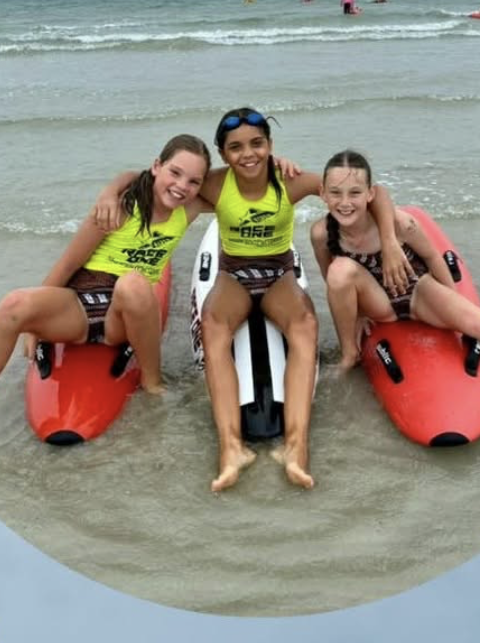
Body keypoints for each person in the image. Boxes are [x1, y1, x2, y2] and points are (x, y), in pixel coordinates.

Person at [96, 113, 402, 492]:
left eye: (257, 143)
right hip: (233, 277)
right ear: (223, 154)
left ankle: (296, 448)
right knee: (214, 326)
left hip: (278, 276)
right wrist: (111, 192)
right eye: (236, 147)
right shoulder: (213, 184)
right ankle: (230, 450)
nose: (248, 154)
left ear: (270, 146)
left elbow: (372, 190)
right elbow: (144, 177)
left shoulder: (290, 182)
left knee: (305, 325)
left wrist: (389, 241)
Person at [0, 135, 213, 445]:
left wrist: (273, 165)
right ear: (156, 166)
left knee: (132, 283)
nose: (182, 185)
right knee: (13, 304)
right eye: (175, 172)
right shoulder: (116, 210)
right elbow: (66, 266)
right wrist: (32, 329)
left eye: (194, 181)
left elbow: (240, 181)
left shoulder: (189, 209)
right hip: (81, 303)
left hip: (125, 314)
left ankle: (153, 382)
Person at [311, 152, 480, 383]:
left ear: (370, 194)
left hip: (416, 291)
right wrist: (355, 313)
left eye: (355, 193)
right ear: (323, 193)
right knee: (340, 270)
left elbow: (432, 257)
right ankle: (349, 356)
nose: (344, 202)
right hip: (377, 304)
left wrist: (451, 298)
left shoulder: (400, 225)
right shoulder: (321, 234)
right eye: (335, 193)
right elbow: (331, 279)